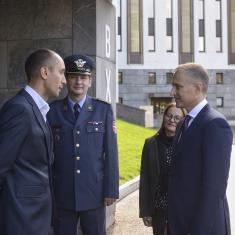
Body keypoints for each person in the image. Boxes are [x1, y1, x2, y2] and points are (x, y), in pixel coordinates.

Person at [47, 54, 119, 235]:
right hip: (62, 193)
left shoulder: (103, 110)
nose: (78, 81)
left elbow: (111, 152)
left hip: (93, 192)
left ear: (90, 81)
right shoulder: (52, 111)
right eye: (73, 76)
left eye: (83, 77)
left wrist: (111, 189)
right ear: (66, 79)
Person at [0, 48, 66, 235]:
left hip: (37, 218)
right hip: (20, 219)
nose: (64, 80)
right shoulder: (20, 109)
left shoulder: (39, 110)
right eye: (61, 72)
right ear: (44, 72)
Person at [168, 63, 233, 235]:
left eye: (177, 86)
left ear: (197, 87)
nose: (172, 92)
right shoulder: (183, 123)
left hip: (204, 228)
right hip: (180, 224)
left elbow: (214, 188)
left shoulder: (215, 125)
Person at [139, 103, 185, 235]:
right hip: (158, 207)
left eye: (177, 118)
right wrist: (145, 211)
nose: (172, 120)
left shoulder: (187, 144)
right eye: (169, 116)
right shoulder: (150, 144)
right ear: (164, 117)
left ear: (183, 121)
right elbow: (145, 179)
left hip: (181, 207)